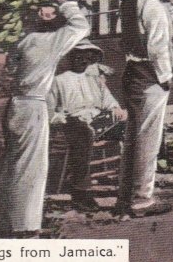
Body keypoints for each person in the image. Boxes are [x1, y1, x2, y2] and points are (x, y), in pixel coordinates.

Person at [0, 0, 90, 237]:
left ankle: (9, 221)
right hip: (33, 105)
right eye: (51, 11)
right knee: (32, 167)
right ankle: (26, 228)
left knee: (15, 164)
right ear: (41, 13)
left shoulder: (21, 41)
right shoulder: (47, 42)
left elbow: (12, 69)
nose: (56, 15)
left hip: (16, 105)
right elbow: (81, 26)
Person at [116, 0, 173, 217]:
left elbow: (167, 16)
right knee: (148, 140)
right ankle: (142, 199)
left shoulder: (132, 0)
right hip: (149, 75)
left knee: (132, 138)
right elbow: (157, 46)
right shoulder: (152, 4)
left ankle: (124, 197)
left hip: (131, 73)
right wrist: (165, 77)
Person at [48, 40, 127, 210]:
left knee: (131, 126)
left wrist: (116, 110)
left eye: (88, 57)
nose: (84, 60)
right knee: (83, 134)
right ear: (71, 57)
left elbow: (110, 102)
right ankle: (80, 193)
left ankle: (129, 185)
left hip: (99, 122)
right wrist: (62, 118)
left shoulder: (95, 80)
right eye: (79, 56)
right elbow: (51, 112)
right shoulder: (58, 81)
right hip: (72, 124)